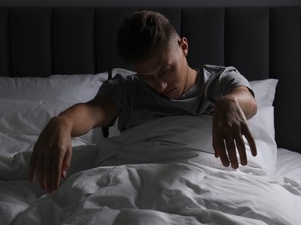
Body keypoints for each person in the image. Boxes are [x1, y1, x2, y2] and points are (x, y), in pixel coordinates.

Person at [29, 10, 258, 193]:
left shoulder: (219, 81)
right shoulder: (126, 89)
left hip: (210, 178)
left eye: (166, 70)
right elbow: (92, 111)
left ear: (184, 47)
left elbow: (247, 100)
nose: (159, 85)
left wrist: (230, 102)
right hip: (135, 179)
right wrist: (63, 122)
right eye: (146, 76)